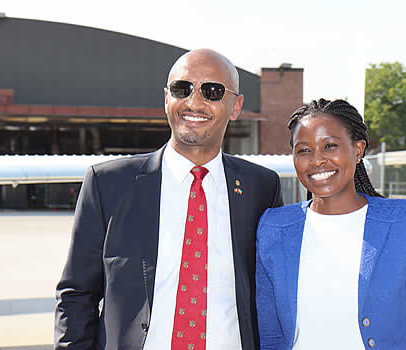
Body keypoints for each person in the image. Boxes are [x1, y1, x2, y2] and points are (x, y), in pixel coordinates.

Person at [55, 49, 283, 350]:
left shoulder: (261, 188)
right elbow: (76, 295)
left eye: (212, 92)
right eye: (182, 88)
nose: (194, 102)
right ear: (166, 98)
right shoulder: (107, 184)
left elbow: (275, 294)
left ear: (236, 106)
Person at [256, 99, 406, 349]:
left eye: (330, 146)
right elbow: (271, 337)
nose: (317, 160)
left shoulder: (405, 221)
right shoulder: (273, 228)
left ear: (358, 150)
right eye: (304, 150)